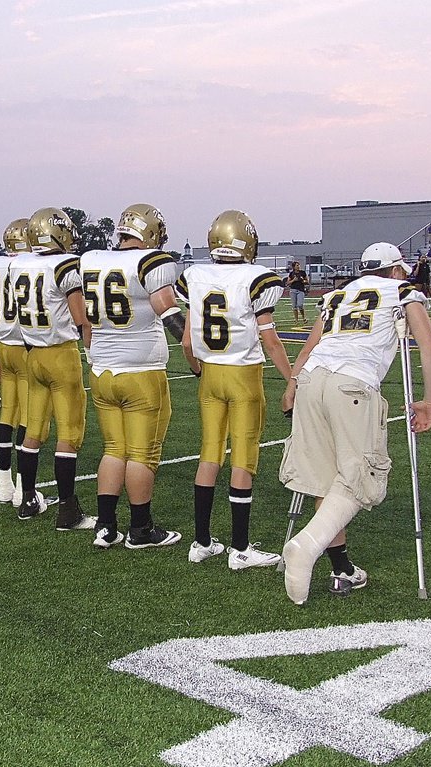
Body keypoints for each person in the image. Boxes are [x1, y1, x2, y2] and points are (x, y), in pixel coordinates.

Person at [280, 242, 431, 604]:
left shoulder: (336, 295)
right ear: (397, 269)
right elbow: (429, 347)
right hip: (352, 384)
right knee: (361, 478)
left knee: (325, 477)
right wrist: (429, 402)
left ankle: (341, 569)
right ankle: (306, 546)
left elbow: (309, 346)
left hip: (312, 378)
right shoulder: (402, 290)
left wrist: (292, 385)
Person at [179, 210, 293, 569]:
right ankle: (240, 548)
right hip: (243, 374)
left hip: (210, 374)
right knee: (244, 455)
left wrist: (198, 370)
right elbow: (270, 339)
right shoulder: (256, 277)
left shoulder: (195, 275)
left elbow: (185, 342)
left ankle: (201, 542)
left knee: (210, 452)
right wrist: (292, 378)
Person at [81, 203, 184, 550]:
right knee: (142, 454)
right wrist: (191, 347)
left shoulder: (91, 259)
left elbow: (83, 318)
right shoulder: (150, 262)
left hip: (102, 372)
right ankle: (141, 529)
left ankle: (106, 527)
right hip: (140, 373)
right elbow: (166, 309)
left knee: (113, 449)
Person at [9, 207, 95, 530]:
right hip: (60, 355)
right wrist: (92, 353)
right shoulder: (64, 266)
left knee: (33, 431)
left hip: (33, 355)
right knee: (69, 434)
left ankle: (28, 499)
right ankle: (68, 511)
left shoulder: (19, 264)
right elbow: (81, 318)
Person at [0, 219, 33, 505]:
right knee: (28, 419)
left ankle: (4, 486)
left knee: (7, 416)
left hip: (4, 345)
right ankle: (23, 490)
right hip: (26, 347)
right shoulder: (30, 265)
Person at [286, 261, 308, 325]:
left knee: (300, 305)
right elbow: (287, 283)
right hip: (293, 290)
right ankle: (296, 320)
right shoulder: (291, 274)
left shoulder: (302, 273)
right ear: (294, 267)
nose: (298, 266)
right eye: (297, 265)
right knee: (294, 306)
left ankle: (304, 318)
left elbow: (307, 281)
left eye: (298, 265)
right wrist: (293, 280)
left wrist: (303, 280)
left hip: (300, 290)